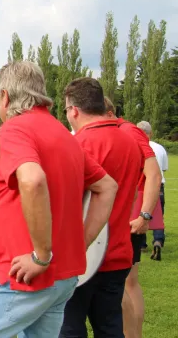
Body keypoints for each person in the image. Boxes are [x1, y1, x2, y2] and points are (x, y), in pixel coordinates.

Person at [0, 61, 118, 337]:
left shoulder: (15, 128)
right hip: (61, 276)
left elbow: (32, 179)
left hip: (22, 276)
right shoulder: (63, 134)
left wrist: (41, 256)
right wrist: (81, 242)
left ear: (5, 96)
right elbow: (107, 186)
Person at [61, 78, 143, 337]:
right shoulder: (130, 141)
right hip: (118, 251)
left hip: (81, 255)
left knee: (70, 328)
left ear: (74, 110)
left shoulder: (78, 144)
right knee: (110, 327)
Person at [106, 98, 163, 338]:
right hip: (124, 212)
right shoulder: (120, 131)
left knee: (122, 283)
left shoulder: (128, 131)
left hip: (130, 214)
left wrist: (144, 215)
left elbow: (154, 174)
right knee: (127, 282)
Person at [136, 120, 168, 260]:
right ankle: (158, 240)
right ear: (151, 132)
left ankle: (141, 243)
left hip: (142, 186)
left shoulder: (135, 145)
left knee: (141, 213)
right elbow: (165, 168)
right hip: (159, 185)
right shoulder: (159, 148)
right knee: (158, 215)